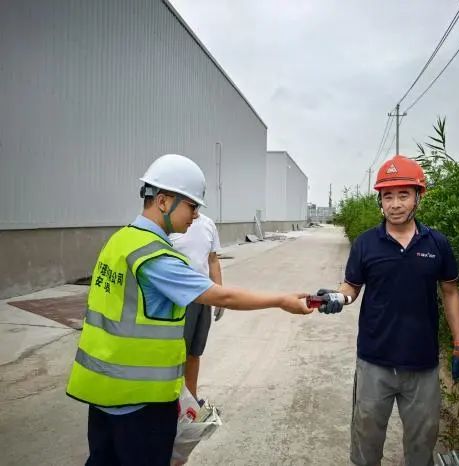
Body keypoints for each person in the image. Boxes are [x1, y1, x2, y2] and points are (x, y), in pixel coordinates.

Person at [66, 153, 312, 466]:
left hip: (103, 396)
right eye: (192, 206)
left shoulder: (121, 240)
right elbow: (223, 296)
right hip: (141, 403)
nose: (195, 216)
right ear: (163, 201)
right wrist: (282, 300)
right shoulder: (155, 257)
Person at [316, 155, 459, 466]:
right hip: (374, 361)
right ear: (380, 201)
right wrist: (337, 298)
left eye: (403, 195)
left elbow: (450, 292)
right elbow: (351, 288)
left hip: (422, 363)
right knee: (366, 442)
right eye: (388, 196)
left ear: (418, 197)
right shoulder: (366, 244)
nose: (395, 204)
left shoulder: (437, 244)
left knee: (422, 444)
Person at [170, 213, 224, 400]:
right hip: (178, 299)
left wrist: (219, 294)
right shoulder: (172, 224)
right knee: (177, 355)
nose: (194, 209)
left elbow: (213, 260)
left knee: (195, 352)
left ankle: (191, 402)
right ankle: (173, 402)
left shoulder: (208, 224)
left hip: (203, 297)